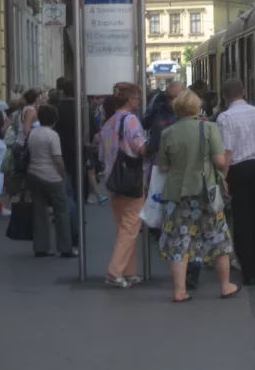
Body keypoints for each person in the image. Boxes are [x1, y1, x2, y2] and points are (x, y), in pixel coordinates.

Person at [157, 90, 239, 302]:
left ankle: (179, 291)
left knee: (179, 242)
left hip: (177, 195)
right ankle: (225, 286)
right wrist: (225, 160)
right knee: (218, 239)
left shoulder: (167, 133)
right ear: (197, 107)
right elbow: (220, 162)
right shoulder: (209, 128)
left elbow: (163, 167)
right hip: (206, 194)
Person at [216, 79, 255, 286]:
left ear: (225, 96)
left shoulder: (224, 118)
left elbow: (227, 152)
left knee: (241, 220)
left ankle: (248, 271)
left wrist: (223, 179)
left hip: (238, 170)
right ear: (244, 92)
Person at [99, 83, 147, 289]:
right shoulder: (131, 120)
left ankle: (129, 272)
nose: (138, 101)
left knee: (124, 226)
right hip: (131, 180)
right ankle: (115, 271)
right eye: (136, 97)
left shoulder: (108, 122)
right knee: (131, 227)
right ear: (129, 100)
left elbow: (102, 154)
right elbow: (141, 148)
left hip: (112, 180)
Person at [26, 104, 76, 258]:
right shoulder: (52, 135)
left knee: (39, 212)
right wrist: (62, 175)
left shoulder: (32, 133)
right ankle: (65, 247)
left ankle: (41, 247)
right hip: (52, 176)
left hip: (33, 174)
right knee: (61, 211)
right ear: (54, 119)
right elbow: (58, 159)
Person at [53, 79, 81, 247]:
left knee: (67, 195)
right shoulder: (82, 108)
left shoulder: (57, 109)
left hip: (62, 154)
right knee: (76, 195)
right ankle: (77, 228)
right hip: (79, 154)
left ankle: (72, 232)